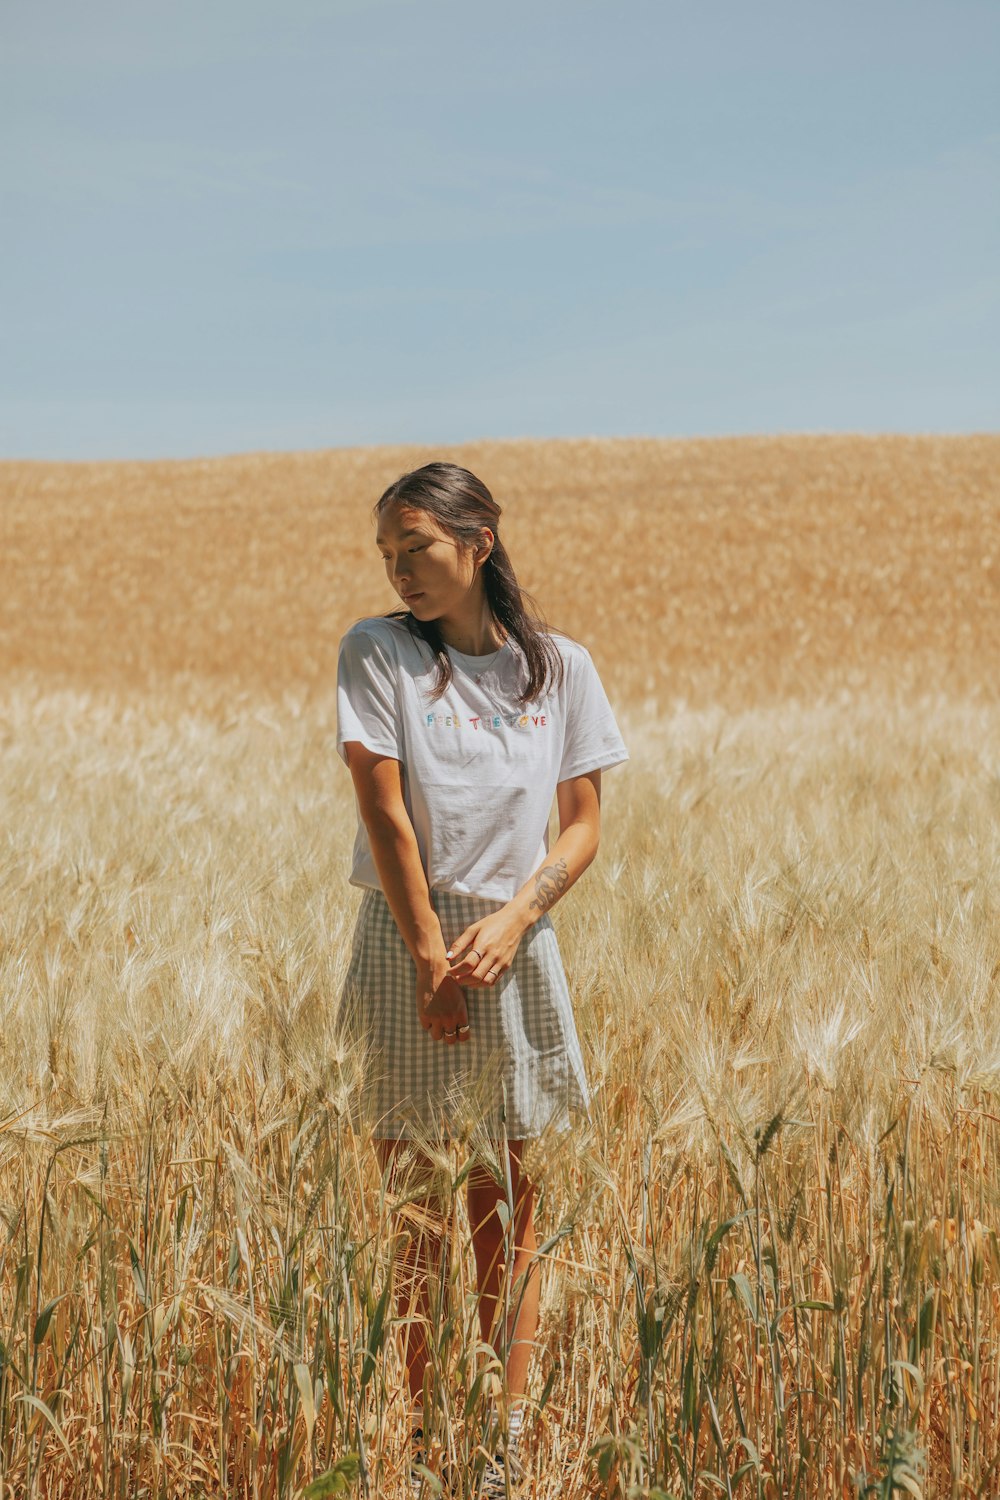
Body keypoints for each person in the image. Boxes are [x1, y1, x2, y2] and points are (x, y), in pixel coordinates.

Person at [335, 461, 628, 1496]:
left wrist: (515, 917)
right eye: (389, 554)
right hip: (404, 941)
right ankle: (419, 1448)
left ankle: (503, 1443)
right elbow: (384, 809)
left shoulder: (561, 669)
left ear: (480, 541)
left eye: (418, 548)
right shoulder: (378, 652)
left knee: (508, 1207)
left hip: (513, 944)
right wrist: (429, 956)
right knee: (416, 1214)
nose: (402, 570)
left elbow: (584, 826)